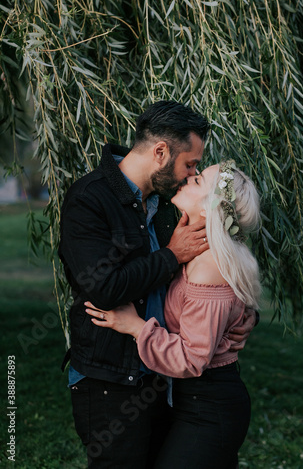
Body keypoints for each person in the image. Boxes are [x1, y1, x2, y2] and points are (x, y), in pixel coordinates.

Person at [58, 100, 258, 468]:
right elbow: (102, 288)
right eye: (190, 164)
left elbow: (221, 266)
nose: (189, 175)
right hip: (111, 381)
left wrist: (242, 315)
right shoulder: (90, 200)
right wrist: (170, 255)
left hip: (165, 379)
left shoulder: (170, 203)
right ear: (161, 152)